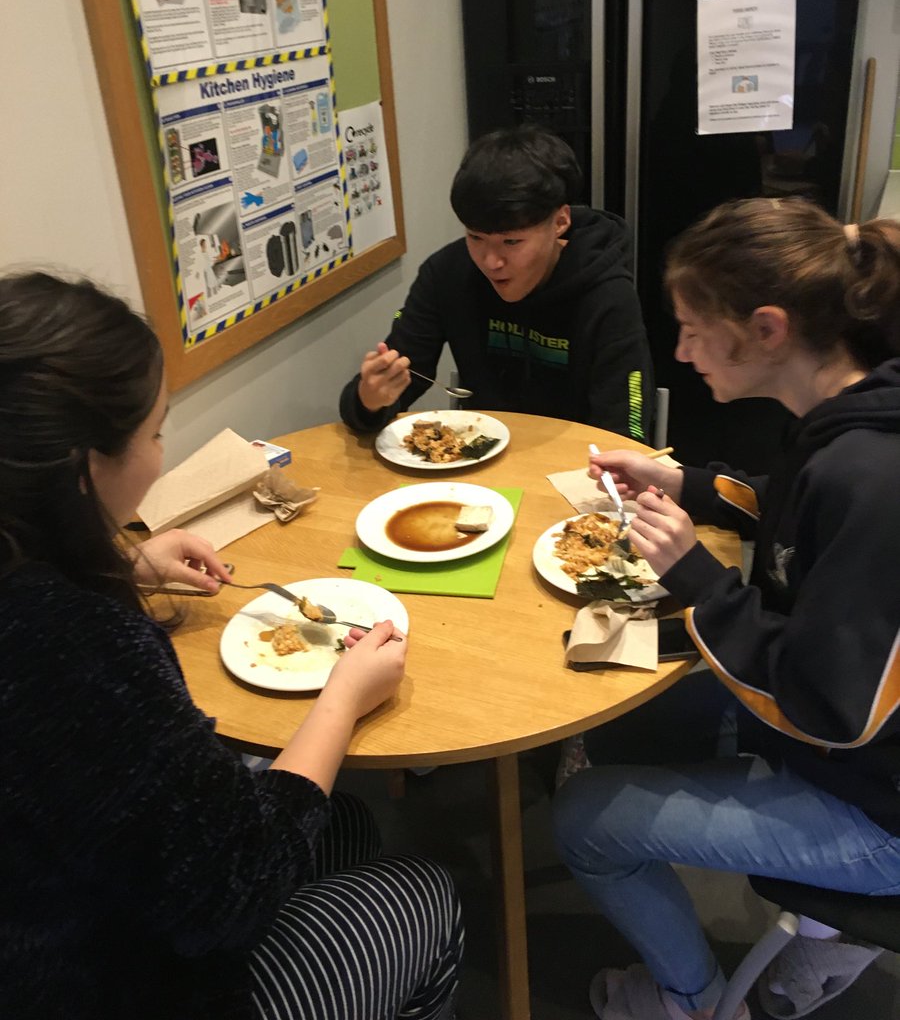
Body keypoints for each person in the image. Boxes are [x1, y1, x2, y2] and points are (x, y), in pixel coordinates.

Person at [0, 272, 463, 1020]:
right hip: (107, 984)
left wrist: (121, 563)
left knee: (346, 822)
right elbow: (230, 891)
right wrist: (341, 701)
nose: (159, 451)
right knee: (428, 892)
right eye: (154, 433)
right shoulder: (72, 645)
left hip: (77, 911)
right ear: (84, 472)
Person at [552, 198, 900, 1020]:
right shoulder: (852, 411)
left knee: (582, 820)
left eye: (692, 329)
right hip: (854, 748)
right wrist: (691, 484)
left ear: (768, 329)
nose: (679, 351)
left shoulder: (873, 477)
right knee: (644, 681)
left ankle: (694, 1001)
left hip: (876, 806)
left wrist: (698, 578)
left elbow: (832, 711)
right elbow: (793, 512)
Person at [339, 125, 654, 441]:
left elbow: (628, 433)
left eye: (512, 242)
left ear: (560, 222)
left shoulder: (607, 295)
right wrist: (369, 399)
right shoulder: (445, 274)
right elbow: (391, 387)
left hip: (578, 470)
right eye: (475, 237)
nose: (491, 261)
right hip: (479, 462)